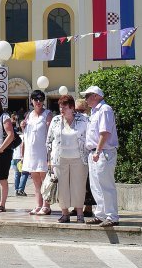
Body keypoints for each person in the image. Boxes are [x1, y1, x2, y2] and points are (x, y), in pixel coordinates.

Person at [47, 94, 89, 223]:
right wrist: (49, 159)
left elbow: (90, 137)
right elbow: (49, 141)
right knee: (62, 187)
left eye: (64, 107)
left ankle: (80, 214)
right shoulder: (55, 120)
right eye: (60, 107)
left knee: (79, 186)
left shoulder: (83, 120)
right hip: (60, 158)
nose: (61, 109)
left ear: (72, 107)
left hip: (79, 158)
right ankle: (64, 213)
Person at [83, 86, 119, 227]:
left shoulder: (105, 110)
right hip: (95, 152)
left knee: (106, 185)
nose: (86, 99)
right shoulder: (95, 111)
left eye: (88, 96)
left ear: (96, 96)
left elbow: (105, 133)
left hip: (103, 152)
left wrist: (98, 151)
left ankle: (112, 216)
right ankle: (101, 214)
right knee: (96, 186)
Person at [22, 90, 53, 215]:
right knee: (35, 180)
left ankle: (46, 205)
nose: (38, 102)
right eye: (36, 99)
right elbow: (25, 134)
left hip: (43, 150)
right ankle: (38, 204)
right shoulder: (29, 115)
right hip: (31, 151)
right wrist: (22, 125)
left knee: (45, 179)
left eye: (41, 99)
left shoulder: (48, 114)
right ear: (32, 101)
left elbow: (52, 134)